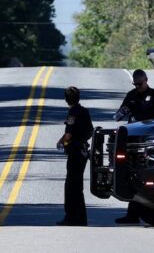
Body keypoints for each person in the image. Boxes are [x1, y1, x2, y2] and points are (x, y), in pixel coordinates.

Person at [114, 69, 154, 224]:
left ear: (146, 80)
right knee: (131, 176)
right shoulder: (131, 96)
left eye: (140, 84)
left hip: (148, 141)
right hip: (132, 141)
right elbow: (118, 115)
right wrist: (121, 112)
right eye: (135, 84)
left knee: (146, 177)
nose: (138, 87)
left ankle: (150, 212)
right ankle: (132, 214)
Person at [56, 86, 94, 226]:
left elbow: (68, 134)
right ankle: (81, 217)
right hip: (83, 151)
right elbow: (90, 131)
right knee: (78, 185)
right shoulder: (84, 111)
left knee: (71, 185)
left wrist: (61, 142)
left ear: (66, 99)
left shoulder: (73, 113)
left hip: (75, 152)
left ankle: (71, 216)